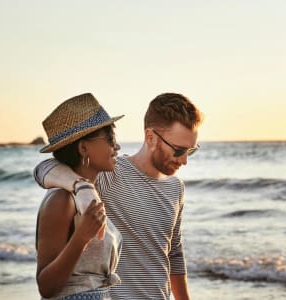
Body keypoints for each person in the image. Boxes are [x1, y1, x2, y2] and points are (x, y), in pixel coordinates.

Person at [34, 93, 203, 300]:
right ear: (151, 138)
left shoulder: (177, 188)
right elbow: (46, 167)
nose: (184, 160)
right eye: (178, 150)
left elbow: (174, 253)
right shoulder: (108, 174)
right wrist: (82, 187)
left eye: (190, 151)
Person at [35, 93, 123, 300]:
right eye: (110, 139)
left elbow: (42, 169)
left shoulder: (88, 192)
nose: (116, 146)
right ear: (83, 148)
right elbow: (46, 287)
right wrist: (81, 237)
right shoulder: (61, 200)